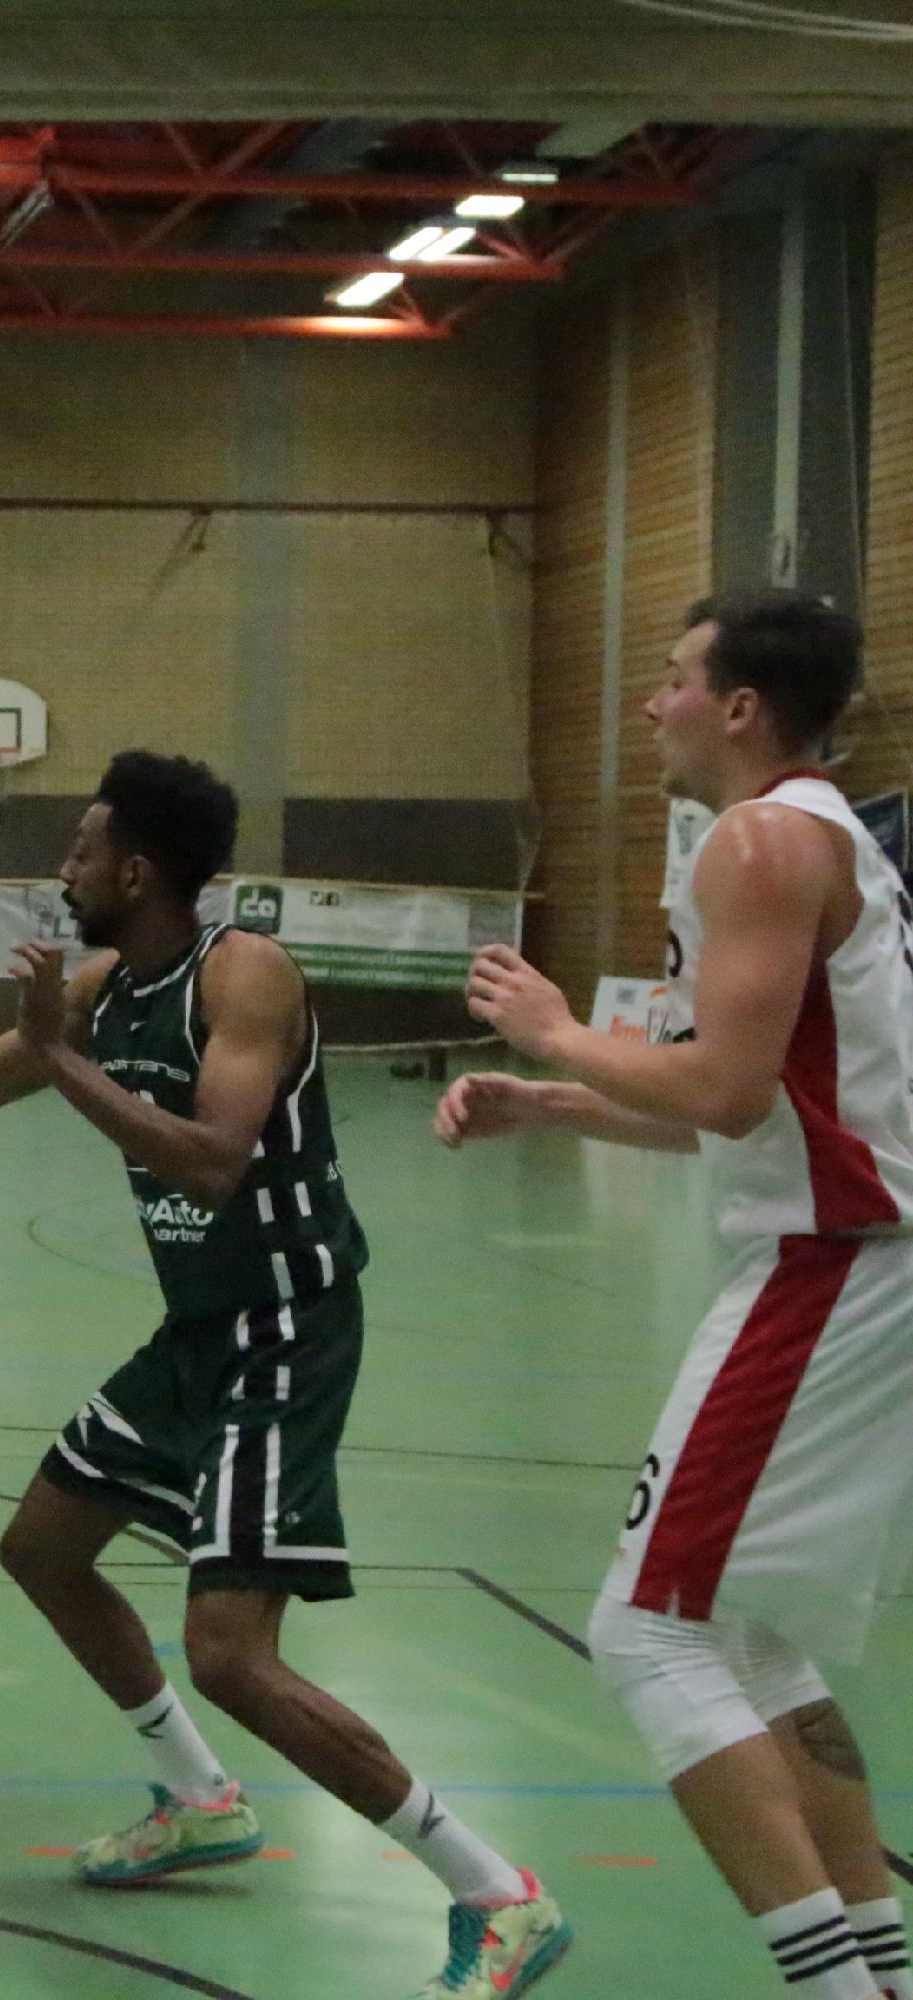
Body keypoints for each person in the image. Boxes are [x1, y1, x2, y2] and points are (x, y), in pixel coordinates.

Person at [0, 750, 570, 2000]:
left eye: (83, 849)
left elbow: (215, 1159)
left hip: (286, 1326)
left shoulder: (244, 971)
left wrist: (58, 1057)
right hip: (199, 1331)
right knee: (44, 1547)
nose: (65, 869)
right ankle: (199, 1793)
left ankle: (496, 1891)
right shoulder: (103, 987)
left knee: (230, 1651)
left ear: (137, 870)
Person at [442, 589, 913, 2000]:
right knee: (749, 1636)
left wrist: (553, 1029)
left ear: (742, 706)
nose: (653, 704)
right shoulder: (821, 832)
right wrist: (560, 1101)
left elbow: (728, 1089)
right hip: (857, 1252)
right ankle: (882, 1974)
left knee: (645, 1629)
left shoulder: (761, 840)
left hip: (830, 1267)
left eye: (672, 679)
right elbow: (778, 1108)